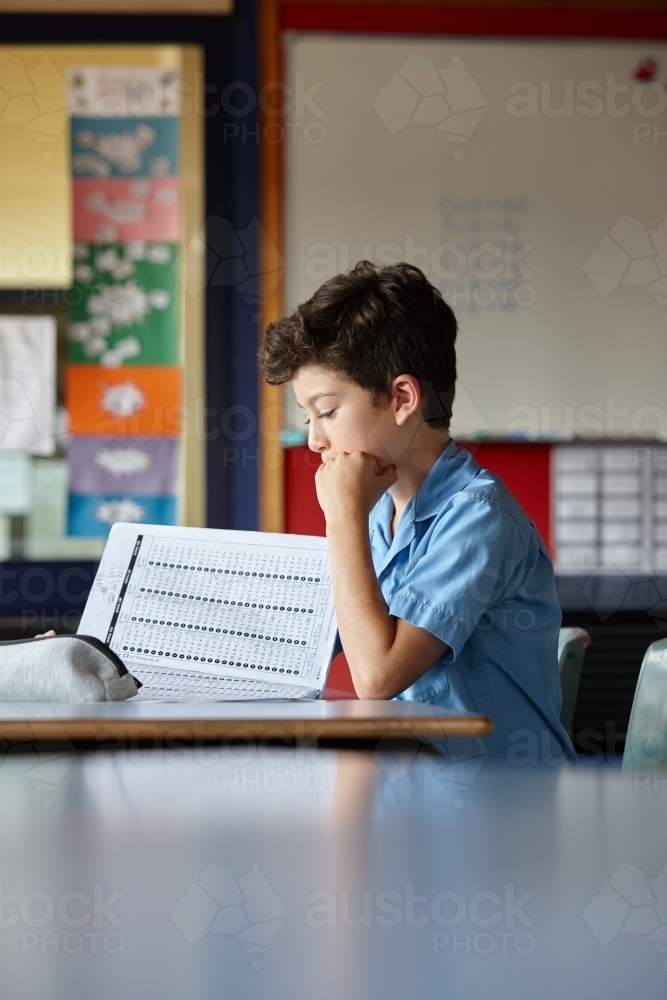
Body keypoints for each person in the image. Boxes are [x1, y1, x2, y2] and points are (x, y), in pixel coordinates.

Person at [260, 261, 575, 764]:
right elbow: (301, 647)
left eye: (328, 412)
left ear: (403, 397)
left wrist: (341, 517)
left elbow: (377, 676)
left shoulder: (477, 516)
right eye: (307, 418)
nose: (315, 440)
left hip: (501, 809)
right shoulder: (377, 510)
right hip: (416, 793)